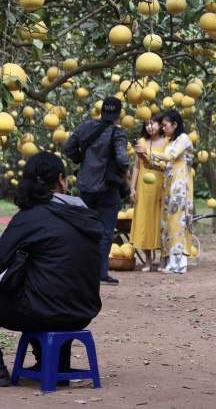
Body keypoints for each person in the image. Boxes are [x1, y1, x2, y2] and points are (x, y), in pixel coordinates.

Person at [0, 152, 103, 386]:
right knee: (41, 280)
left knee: (30, 290)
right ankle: (52, 363)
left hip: (45, 310)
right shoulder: (84, 214)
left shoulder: (30, 217)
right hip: (82, 311)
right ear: (60, 180)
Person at [64, 96, 130, 286]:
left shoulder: (85, 127)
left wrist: (80, 160)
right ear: (119, 114)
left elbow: (68, 147)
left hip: (85, 186)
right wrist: (124, 171)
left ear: (102, 111)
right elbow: (122, 158)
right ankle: (100, 274)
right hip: (107, 187)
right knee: (106, 232)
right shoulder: (118, 133)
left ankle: (79, 270)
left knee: (83, 230)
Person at [136, 110, 193, 274]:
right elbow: (162, 166)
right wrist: (146, 160)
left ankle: (179, 264)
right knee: (168, 223)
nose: (163, 129)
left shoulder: (183, 139)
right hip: (169, 186)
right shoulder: (171, 142)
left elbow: (169, 157)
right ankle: (170, 262)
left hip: (181, 186)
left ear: (175, 124)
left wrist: (149, 151)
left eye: (165, 125)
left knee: (178, 221)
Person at [129, 115, 166, 271]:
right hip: (144, 187)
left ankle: (163, 259)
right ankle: (148, 260)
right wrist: (132, 188)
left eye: (153, 123)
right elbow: (137, 167)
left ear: (160, 124)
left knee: (160, 221)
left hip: (160, 185)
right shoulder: (141, 142)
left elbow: (166, 165)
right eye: (146, 124)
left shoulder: (166, 143)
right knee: (145, 221)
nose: (149, 126)